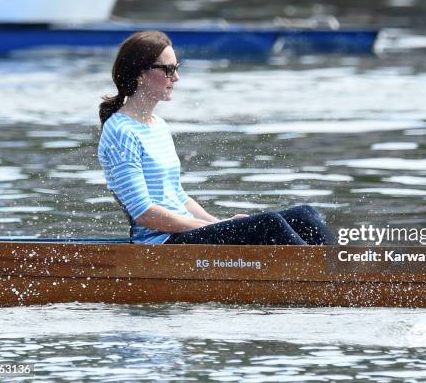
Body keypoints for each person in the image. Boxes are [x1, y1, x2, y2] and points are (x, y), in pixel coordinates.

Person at [97, 30, 335, 245]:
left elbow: (177, 196)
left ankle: (344, 273)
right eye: (168, 70)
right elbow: (145, 213)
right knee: (269, 224)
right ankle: (331, 284)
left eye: (176, 68)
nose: (176, 78)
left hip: (185, 233)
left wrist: (219, 221)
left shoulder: (158, 125)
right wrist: (213, 227)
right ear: (141, 74)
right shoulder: (121, 132)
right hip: (161, 242)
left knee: (306, 214)